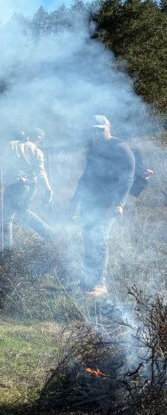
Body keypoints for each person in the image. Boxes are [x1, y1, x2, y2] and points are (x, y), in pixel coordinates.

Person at [72, 115, 135, 297]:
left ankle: (100, 284)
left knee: (99, 239)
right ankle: (88, 281)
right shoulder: (93, 149)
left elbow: (128, 178)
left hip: (109, 203)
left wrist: (119, 203)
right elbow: (86, 176)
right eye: (94, 130)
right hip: (91, 201)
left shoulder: (120, 148)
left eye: (101, 129)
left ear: (108, 128)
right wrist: (75, 200)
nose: (98, 133)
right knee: (89, 239)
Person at [1, 130, 54, 249]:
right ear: (39, 139)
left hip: (13, 185)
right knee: (22, 213)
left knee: (8, 217)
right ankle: (50, 234)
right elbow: (41, 172)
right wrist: (48, 189)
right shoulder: (38, 152)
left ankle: (7, 251)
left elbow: (1, 162)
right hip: (28, 187)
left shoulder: (11, 145)